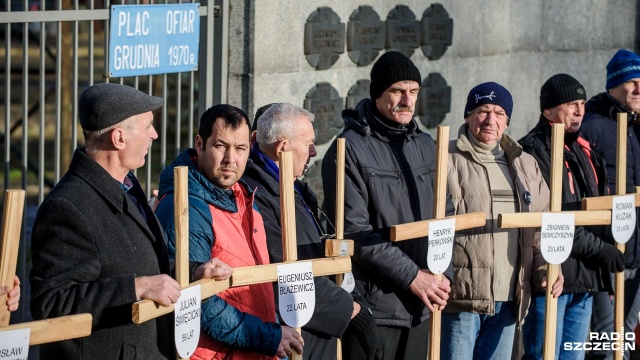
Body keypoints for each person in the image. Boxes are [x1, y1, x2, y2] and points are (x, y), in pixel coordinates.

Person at [29, 83, 232, 359]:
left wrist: (195, 271)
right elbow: (51, 303)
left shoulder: (127, 186)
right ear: (119, 138)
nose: (155, 134)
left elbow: (145, 262)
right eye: (148, 126)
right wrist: (136, 287)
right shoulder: (67, 207)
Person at [322, 51, 454, 360]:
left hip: (423, 304)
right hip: (377, 308)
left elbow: (446, 216)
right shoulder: (348, 149)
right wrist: (412, 277)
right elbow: (355, 232)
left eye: (414, 91)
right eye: (397, 91)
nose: (408, 101)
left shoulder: (424, 144)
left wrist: (441, 273)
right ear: (378, 94)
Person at [154, 104, 304, 359]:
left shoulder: (244, 197)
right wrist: (269, 336)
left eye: (240, 148)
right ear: (200, 144)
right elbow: (198, 304)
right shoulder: (186, 207)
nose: (230, 159)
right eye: (221, 146)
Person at [242, 102, 381, 360]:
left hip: (317, 334)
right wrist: (349, 309)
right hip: (297, 337)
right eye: (308, 144)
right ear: (283, 148)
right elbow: (286, 272)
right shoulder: (257, 195)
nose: (314, 152)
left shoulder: (295, 189)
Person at [442, 81, 563, 360]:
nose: (490, 120)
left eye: (499, 113)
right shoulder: (444, 159)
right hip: (461, 299)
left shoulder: (525, 164)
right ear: (468, 116)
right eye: (483, 110)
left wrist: (545, 267)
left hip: (510, 299)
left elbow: (541, 228)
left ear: (507, 121)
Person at [519, 74, 625, 359]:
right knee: (543, 354)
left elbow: (595, 209)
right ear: (548, 110)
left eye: (581, 103)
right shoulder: (533, 150)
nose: (579, 110)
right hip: (553, 276)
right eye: (570, 104)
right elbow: (554, 219)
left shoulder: (581, 148)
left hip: (586, 275)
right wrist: (601, 250)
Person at [580, 49, 640, 359]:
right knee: (609, 344)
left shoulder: (635, 125)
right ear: (613, 86)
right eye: (632, 82)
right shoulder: (593, 127)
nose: (639, 89)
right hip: (608, 253)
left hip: (636, 254)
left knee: (624, 338)